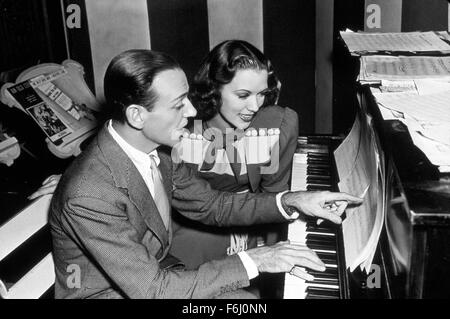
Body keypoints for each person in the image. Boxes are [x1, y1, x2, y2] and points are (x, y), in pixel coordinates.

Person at [46, 49, 361, 298]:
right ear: (137, 115)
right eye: (179, 104)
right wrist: (259, 259)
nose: (193, 112)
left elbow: (214, 205)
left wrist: (292, 200)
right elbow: (154, 291)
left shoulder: (160, 151)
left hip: (158, 277)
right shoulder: (89, 194)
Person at [170, 40, 298, 272]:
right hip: (194, 227)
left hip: (250, 222)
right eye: (243, 95)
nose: (255, 106)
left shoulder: (276, 125)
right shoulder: (182, 133)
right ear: (213, 89)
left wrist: (279, 260)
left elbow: (273, 198)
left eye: (262, 94)